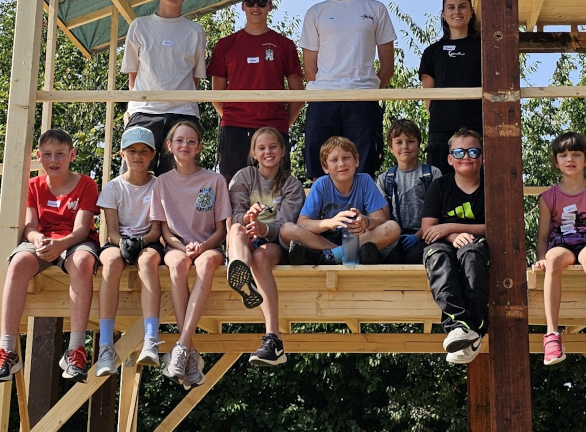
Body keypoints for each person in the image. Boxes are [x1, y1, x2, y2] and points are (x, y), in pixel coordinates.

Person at [0, 128, 100, 384]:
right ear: (39, 156)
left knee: (82, 262)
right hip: (43, 241)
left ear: (72, 155)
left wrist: (60, 245)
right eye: (47, 154)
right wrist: (38, 240)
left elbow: (82, 230)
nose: (53, 160)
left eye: (60, 154)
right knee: (17, 262)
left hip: (74, 242)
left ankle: (76, 349)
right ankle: (7, 350)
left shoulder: (86, 184)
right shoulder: (33, 185)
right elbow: (30, 227)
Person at [300, 0, 397, 178]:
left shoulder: (376, 9)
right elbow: (309, 68)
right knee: (319, 168)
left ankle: (359, 215)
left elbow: (387, 65)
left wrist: (367, 89)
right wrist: (330, 87)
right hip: (323, 99)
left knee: (363, 169)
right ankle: (323, 215)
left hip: (362, 100)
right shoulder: (316, 11)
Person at [148, 119, 230, 388]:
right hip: (176, 247)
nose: (185, 145)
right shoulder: (160, 182)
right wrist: (184, 248)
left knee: (206, 265)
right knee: (178, 266)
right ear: (170, 146)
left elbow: (221, 230)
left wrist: (203, 247)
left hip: (209, 246)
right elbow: (164, 232)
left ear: (199, 148)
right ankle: (190, 354)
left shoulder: (215, 180)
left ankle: (182, 346)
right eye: (179, 140)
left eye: (191, 141)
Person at [535, 130, 586, 365]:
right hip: (561, 244)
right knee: (553, 259)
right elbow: (542, 237)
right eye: (563, 155)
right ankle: (552, 334)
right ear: (556, 161)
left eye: (576, 154)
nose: (569, 159)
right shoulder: (547, 197)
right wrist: (541, 257)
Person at [207, 0, 304, 180]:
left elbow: (298, 93)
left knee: (278, 189)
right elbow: (216, 94)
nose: (256, 7)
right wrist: (234, 117)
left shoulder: (285, 45)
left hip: (274, 125)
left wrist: (283, 121)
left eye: (261, 2)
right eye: (250, 2)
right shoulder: (226, 44)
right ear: (243, 6)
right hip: (235, 128)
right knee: (233, 188)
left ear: (270, 5)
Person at [225, 126, 306, 367]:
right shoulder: (243, 177)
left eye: (273, 147)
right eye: (261, 148)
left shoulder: (292, 185)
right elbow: (234, 216)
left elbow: (285, 224)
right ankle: (239, 271)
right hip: (243, 240)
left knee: (260, 258)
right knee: (237, 229)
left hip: (271, 243)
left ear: (282, 151)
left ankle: (273, 338)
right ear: (254, 153)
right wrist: (249, 219)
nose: (267, 151)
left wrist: (263, 228)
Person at [121, 0, 210, 174]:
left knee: (178, 180)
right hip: (144, 112)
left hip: (183, 113)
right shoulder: (139, 25)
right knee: (135, 178)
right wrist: (132, 108)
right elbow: (132, 74)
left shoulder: (195, 31)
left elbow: (194, 78)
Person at [94, 126, 167, 375]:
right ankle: (105, 345)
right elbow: (112, 231)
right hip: (118, 242)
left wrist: (141, 243)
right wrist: (123, 242)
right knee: (111, 263)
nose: (138, 156)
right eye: (132, 151)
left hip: (148, 241)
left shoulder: (159, 185)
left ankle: (151, 339)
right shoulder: (113, 188)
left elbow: (156, 230)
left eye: (144, 151)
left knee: (148, 263)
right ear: (122, 154)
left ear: (152, 155)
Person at [421, 129, 488, 364]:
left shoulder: (492, 187)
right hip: (444, 245)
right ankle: (459, 326)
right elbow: (429, 229)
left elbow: (499, 228)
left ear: (482, 156)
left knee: (471, 255)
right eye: (459, 152)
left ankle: (474, 330)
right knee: (436, 255)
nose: (466, 156)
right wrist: (451, 236)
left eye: (473, 151)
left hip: (478, 248)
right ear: (450, 158)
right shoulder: (439, 186)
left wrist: (451, 228)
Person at [282, 136, 401, 265]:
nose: (341, 164)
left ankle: (329, 257)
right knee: (286, 230)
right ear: (325, 167)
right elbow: (303, 223)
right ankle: (339, 254)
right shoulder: (321, 185)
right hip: (323, 241)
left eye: (346, 158)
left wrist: (365, 221)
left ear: (356, 161)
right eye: (334, 160)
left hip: (358, 239)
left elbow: (381, 220)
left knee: (392, 228)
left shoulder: (365, 181)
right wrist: (329, 223)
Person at [417, 0, 483, 164]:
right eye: (451, 7)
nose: (457, 12)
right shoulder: (432, 52)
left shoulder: (484, 48)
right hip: (442, 129)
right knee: (440, 185)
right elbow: (428, 98)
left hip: (478, 127)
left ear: (471, 11)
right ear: (443, 14)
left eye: (462, 7)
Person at [378, 117, 443, 264]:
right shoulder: (385, 179)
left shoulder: (432, 174)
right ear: (390, 147)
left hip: (426, 235)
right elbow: (384, 217)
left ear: (419, 144)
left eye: (410, 141)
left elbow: (438, 212)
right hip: (394, 237)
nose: (405, 146)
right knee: (389, 260)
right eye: (399, 142)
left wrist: (418, 236)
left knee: (415, 258)